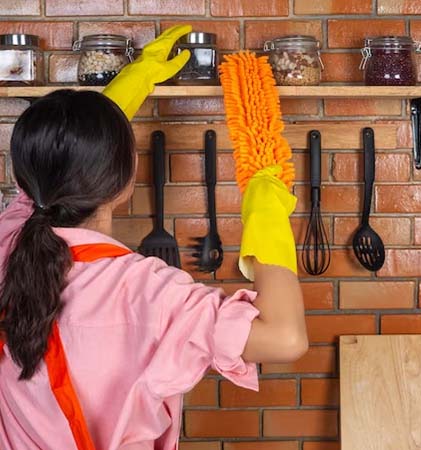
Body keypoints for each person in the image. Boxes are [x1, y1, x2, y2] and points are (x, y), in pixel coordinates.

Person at [0, 26, 307, 450]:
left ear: (22, 176)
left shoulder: (7, 239)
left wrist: (139, 77)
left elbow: (51, 165)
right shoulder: (149, 290)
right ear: (126, 182)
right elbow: (285, 337)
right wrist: (266, 204)